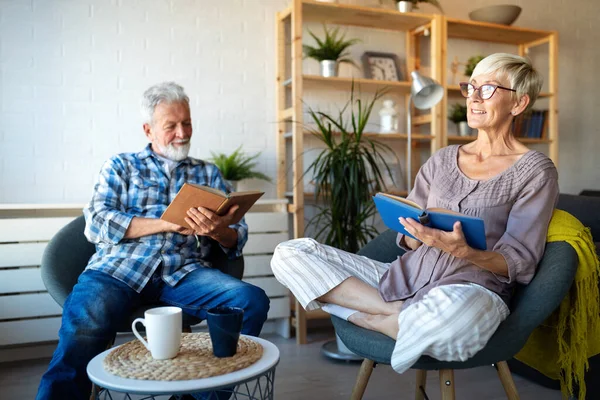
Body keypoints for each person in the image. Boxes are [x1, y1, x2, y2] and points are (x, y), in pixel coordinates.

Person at [271, 53, 559, 373]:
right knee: (289, 253)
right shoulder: (442, 159)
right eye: (471, 87)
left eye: (488, 89)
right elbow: (407, 234)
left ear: (518, 104)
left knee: (453, 318)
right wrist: (416, 235)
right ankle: (396, 317)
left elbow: (519, 261)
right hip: (405, 277)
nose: (473, 98)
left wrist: (464, 251)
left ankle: (370, 317)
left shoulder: (536, 171)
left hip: (471, 289)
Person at [36, 82, 270, 400]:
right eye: (171, 125)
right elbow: (96, 223)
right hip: (119, 269)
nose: (182, 132)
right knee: (84, 324)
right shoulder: (120, 166)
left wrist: (217, 230)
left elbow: (237, 235)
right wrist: (167, 223)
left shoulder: (208, 173)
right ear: (148, 130)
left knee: (251, 301)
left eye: (186, 122)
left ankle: (199, 396)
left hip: (184, 271)